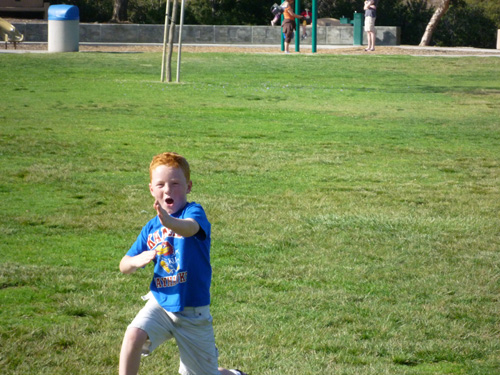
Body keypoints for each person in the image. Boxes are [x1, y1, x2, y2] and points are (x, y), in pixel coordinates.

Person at [118, 152, 247, 375]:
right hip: (161, 303)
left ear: (188, 187)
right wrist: (136, 261)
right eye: (161, 184)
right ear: (151, 189)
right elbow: (124, 265)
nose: (167, 190)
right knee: (133, 334)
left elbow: (190, 228)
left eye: (175, 184)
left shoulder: (193, 212)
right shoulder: (151, 227)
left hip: (193, 312)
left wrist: (170, 222)